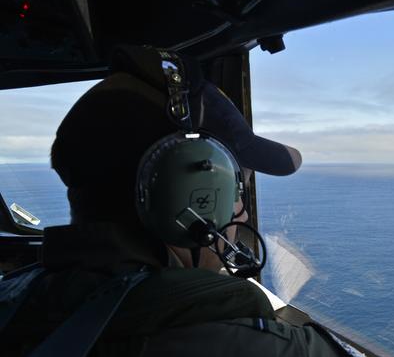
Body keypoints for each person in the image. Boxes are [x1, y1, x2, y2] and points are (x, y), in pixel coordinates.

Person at [0, 46, 352, 356]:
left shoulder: (21, 295)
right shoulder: (263, 347)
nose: (241, 211)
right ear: (191, 196)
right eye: (235, 188)